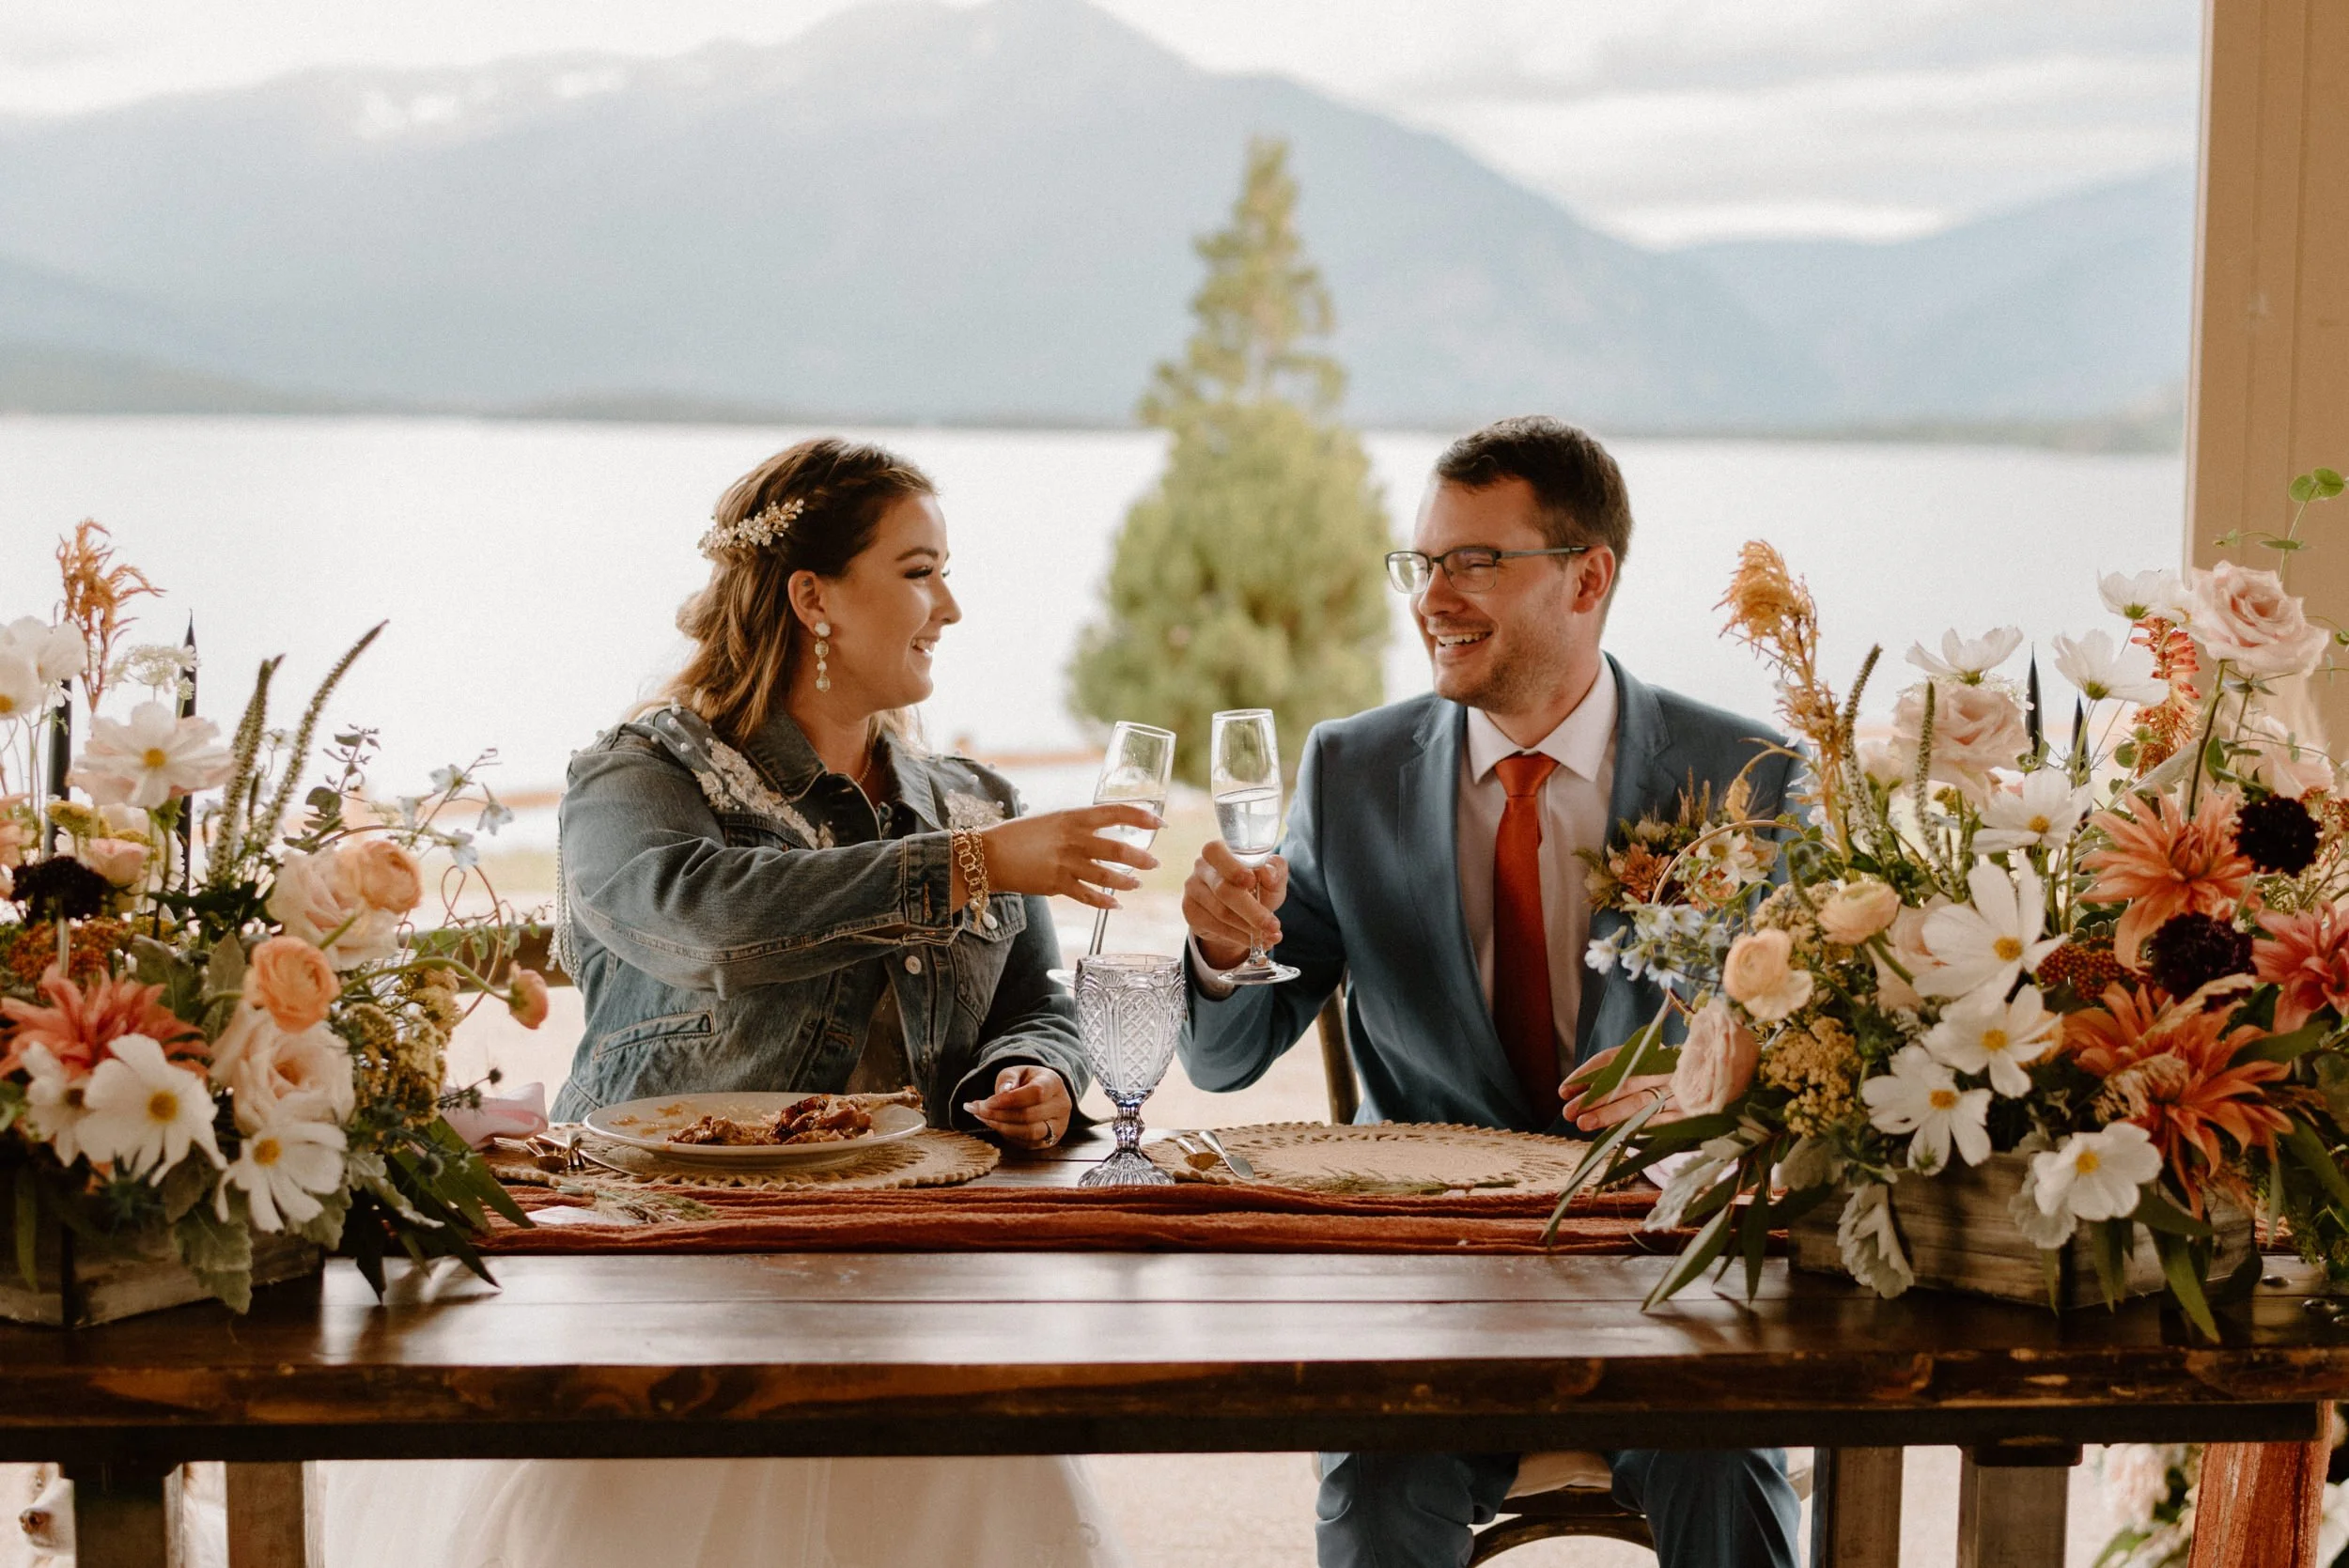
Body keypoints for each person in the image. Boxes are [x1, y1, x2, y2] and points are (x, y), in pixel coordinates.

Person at [328, 437, 1148, 1568]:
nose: (950, 607)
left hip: (915, 1265)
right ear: (814, 598)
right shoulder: (640, 774)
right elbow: (699, 920)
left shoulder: (972, 799)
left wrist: (1036, 1072)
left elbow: (1034, 1000)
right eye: (918, 572)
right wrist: (964, 866)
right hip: (666, 1257)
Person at [1179, 416, 1804, 1568]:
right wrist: (1221, 952)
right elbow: (1226, 1059)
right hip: (1424, 1283)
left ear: (1587, 577)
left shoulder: (1747, 779)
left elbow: (1823, 1063)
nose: (1432, 597)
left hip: (1663, 1269)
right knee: (1377, 1493)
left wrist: (1719, 1095)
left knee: (1726, 1471)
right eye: (1422, 562)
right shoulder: (1350, 770)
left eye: (1473, 561)